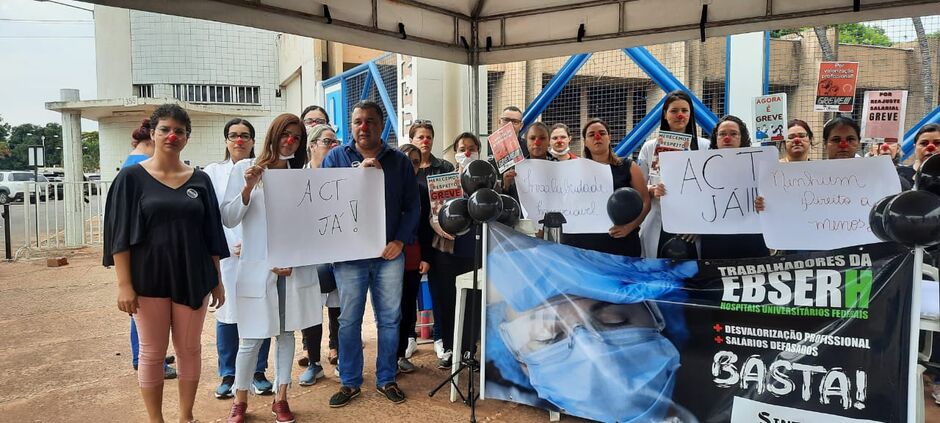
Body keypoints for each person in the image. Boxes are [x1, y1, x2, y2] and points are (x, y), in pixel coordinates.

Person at [104, 104, 227, 423]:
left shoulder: (199, 180)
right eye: (165, 130)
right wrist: (124, 284)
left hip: (192, 275)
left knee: (189, 350)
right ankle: (155, 419)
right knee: (152, 352)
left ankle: (186, 416)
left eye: (179, 131)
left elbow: (211, 233)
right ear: (153, 133)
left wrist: (217, 279)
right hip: (148, 279)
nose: (172, 136)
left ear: (187, 137)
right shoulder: (131, 178)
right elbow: (119, 235)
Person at [221, 114, 322, 423]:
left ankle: (281, 397)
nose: (290, 141)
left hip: (291, 270)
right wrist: (248, 188)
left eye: (296, 137)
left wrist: (294, 257)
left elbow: (309, 226)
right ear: (273, 135)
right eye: (285, 134)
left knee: (286, 334)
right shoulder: (245, 169)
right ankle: (240, 399)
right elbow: (228, 217)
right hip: (257, 267)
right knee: (251, 337)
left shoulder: (301, 175)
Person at [322, 100, 419, 407]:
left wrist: (400, 242)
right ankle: (350, 382)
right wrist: (357, 177)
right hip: (349, 257)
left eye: (370, 121)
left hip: (388, 254)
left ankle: (386, 378)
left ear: (381, 125)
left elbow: (413, 207)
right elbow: (326, 204)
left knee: (390, 320)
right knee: (349, 320)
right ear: (351, 126)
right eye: (357, 122)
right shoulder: (336, 157)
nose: (363, 127)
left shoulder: (399, 161)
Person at [203, 119, 274, 399]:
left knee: (261, 309)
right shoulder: (212, 173)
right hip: (226, 256)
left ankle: (258, 372)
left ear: (254, 141)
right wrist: (227, 246)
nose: (239, 140)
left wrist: (255, 243)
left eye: (245, 136)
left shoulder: (264, 170)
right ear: (226, 141)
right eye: (233, 136)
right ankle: (228, 374)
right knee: (228, 313)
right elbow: (212, 217)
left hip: (259, 253)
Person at [123, 119, 178, 380]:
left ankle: (151, 353)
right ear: (152, 137)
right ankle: (142, 357)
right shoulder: (137, 168)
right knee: (144, 312)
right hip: (147, 253)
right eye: (164, 131)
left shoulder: (130, 162)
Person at [428, 133, 482, 370]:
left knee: (473, 303)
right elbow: (432, 213)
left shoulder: (486, 180)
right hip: (447, 251)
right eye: (462, 148)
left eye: (472, 148)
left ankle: (470, 350)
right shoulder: (444, 179)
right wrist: (436, 224)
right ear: (455, 151)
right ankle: (450, 349)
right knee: (446, 300)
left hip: (475, 251)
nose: (467, 152)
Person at [295, 123, 343, 386]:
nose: (332, 147)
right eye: (327, 142)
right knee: (310, 308)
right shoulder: (298, 178)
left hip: (338, 252)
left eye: (336, 142)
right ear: (312, 145)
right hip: (309, 255)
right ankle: (314, 362)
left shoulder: (343, 176)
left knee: (338, 307)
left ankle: (338, 352)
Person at [637, 90, 709, 259]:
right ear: (665, 114)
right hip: (658, 222)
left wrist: (700, 224)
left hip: (691, 227)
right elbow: (639, 186)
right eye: (674, 111)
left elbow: (711, 190)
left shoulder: (705, 146)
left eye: (685, 111)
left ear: (690, 115)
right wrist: (652, 189)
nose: (680, 115)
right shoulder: (649, 147)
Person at [562, 118, 649, 257]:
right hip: (582, 247)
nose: (597, 137)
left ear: (609, 137)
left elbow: (646, 201)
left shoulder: (628, 166)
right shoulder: (573, 169)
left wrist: (629, 227)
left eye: (602, 133)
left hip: (620, 244)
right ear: (585, 141)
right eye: (591, 135)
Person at [697, 115, 768, 259]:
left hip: (751, 239)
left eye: (733, 134)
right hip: (715, 241)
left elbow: (774, 200)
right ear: (716, 139)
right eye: (722, 134)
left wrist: (766, 204)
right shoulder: (699, 167)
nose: (727, 138)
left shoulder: (760, 165)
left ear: (742, 138)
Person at [396, 143, 432, 373]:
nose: (411, 165)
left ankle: (399, 355)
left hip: (412, 257)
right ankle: (387, 357)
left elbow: (427, 228)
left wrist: (426, 257)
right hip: (386, 259)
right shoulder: (384, 188)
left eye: (416, 161)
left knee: (408, 306)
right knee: (389, 311)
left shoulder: (421, 191)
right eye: (407, 160)